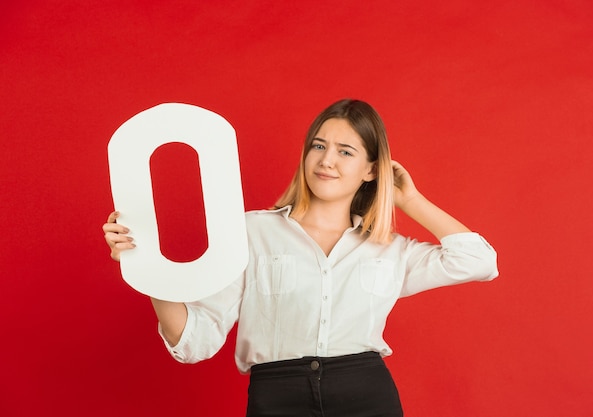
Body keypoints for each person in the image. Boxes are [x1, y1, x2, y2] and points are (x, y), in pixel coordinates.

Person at [103, 99, 498, 417]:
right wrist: (146, 267)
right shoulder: (251, 232)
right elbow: (195, 342)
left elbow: (479, 260)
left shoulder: (390, 249)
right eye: (319, 146)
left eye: (346, 151)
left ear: (371, 170)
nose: (327, 160)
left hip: (366, 395)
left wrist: (410, 199)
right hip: (277, 397)